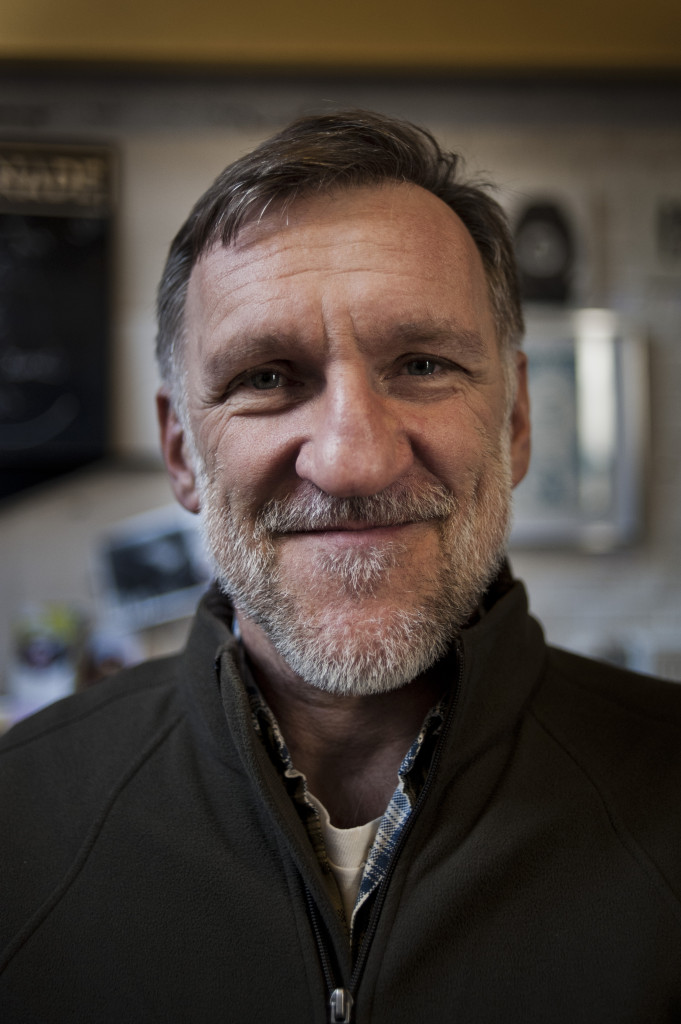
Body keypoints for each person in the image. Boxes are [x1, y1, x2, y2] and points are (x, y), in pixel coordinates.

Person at [1, 110, 680, 1024]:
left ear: (514, 421)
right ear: (178, 450)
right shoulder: (20, 819)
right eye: (268, 378)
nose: (352, 460)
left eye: (423, 363)